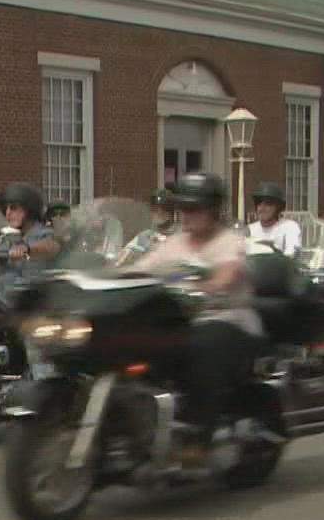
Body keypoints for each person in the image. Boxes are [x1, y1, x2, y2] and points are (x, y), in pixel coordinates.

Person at [133, 173, 268, 461]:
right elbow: (141, 269)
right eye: (183, 207)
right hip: (184, 321)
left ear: (213, 209)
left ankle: (199, 435)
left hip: (229, 318)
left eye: (195, 208)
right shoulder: (175, 243)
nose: (187, 215)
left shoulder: (228, 241)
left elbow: (226, 273)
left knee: (202, 346)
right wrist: (94, 278)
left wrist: (206, 287)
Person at [0, 182, 60, 303]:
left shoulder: (44, 233)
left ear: (29, 209)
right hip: (6, 306)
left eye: (13, 207)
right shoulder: (7, 235)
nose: (8, 213)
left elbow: (52, 246)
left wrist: (27, 248)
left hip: (33, 308)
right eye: (6, 208)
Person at [245, 183, 304, 257]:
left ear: (278, 207)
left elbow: (291, 255)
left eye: (268, 204)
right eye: (259, 204)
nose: (262, 208)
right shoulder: (249, 229)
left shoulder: (290, 227)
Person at [119, 189, 176, 265]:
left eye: (161, 209)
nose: (157, 213)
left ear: (170, 212)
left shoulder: (179, 238)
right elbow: (122, 259)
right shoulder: (145, 236)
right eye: (154, 209)